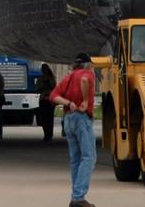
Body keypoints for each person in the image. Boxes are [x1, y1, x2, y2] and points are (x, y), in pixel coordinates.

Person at [51, 52, 97, 207]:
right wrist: (84, 100)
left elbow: (53, 96)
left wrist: (68, 102)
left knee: (76, 159)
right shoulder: (87, 74)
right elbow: (85, 80)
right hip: (81, 118)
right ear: (87, 64)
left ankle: (76, 196)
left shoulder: (68, 77)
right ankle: (78, 197)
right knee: (89, 157)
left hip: (68, 118)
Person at [35, 63, 57, 142]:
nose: (44, 71)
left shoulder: (52, 78)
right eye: (42, 69)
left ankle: (50, 134)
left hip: (50, 100)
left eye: (45, 69)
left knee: (50, 118)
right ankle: (46, 134)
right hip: (43, 99)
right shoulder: (40, 79)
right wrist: (42, 84)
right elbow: (37, 89)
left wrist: (49, 83)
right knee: (44, 118)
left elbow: (55, 87)